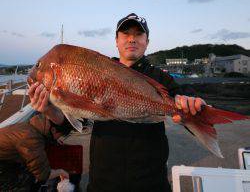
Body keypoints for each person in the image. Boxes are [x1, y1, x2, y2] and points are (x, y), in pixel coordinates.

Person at [28, 13, 206, 192]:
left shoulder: (159, 78)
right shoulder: (100, 69)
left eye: (138, 34)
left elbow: (183, 97)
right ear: (116, 40)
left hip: (150, 181)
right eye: (126, 34)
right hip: (103, 181)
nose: (132, 39)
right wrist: (49, 111)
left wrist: (191, 105)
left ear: (147, 41)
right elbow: (71, 124)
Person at [0, 113, 70, 191]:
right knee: (28, 178)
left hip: (6, 160)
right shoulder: (31, 138)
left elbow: (40, 140)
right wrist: (62, 172)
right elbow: (42, 175)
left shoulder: (31, 126)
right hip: (3, 167)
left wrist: (54, 142)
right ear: (53, 130)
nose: (58, 138)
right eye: (60, 135)